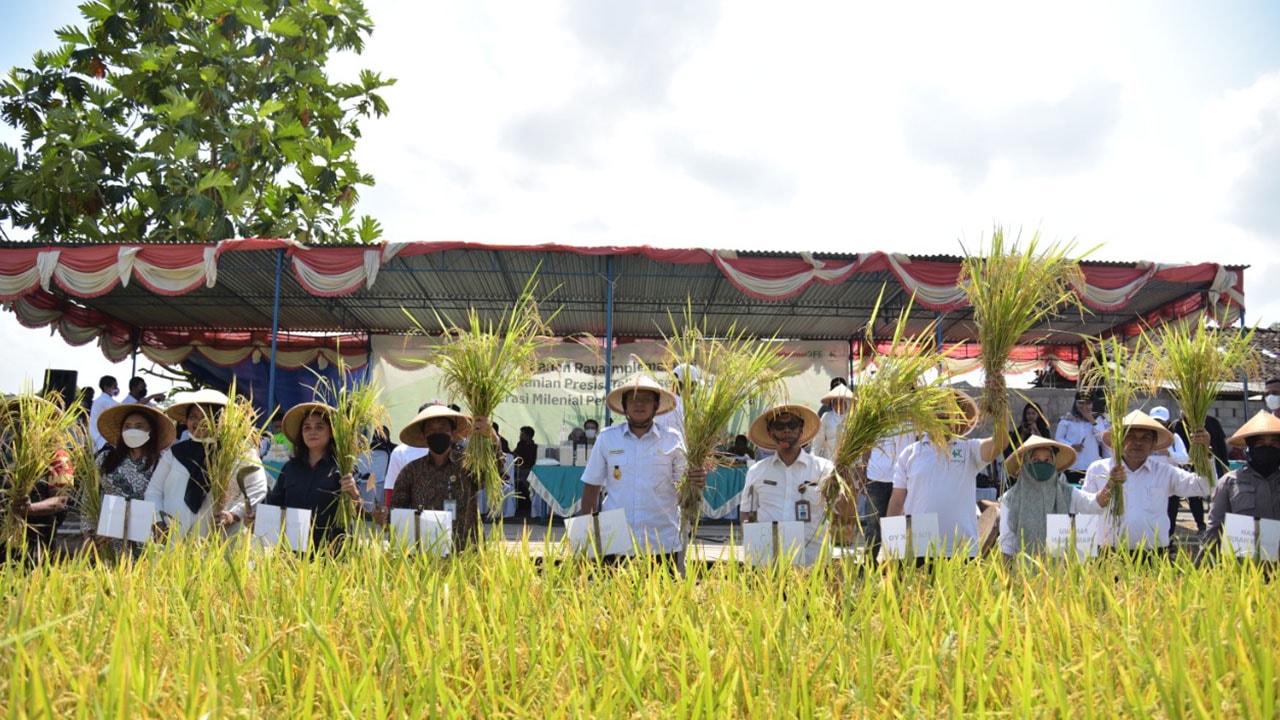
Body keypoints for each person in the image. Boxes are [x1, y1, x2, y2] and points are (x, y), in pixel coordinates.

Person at [579, 376, 706, 564]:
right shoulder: (607, 439)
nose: (639, 404)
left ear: (656, 405)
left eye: (646, 399)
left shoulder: (672, 439)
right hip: (615, 541)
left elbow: (684, 489)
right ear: (624, 406)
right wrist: (586, 537)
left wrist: (697, 480)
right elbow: (592, 489)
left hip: (663, 541)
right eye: (633, 399)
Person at [887, 391, 1007, 558]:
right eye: (937, 409)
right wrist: (891, 549)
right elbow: (896, 502)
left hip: (962, 547)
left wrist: (1000, 406)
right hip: (920, 545)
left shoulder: (969, 449)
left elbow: (1001, 441)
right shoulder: (910, 453)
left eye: (948, 410)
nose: (942, 414)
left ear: (957, 417)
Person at [1081, 410, 1211, 554]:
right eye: (1130, 436)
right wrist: (1109, 485)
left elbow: (1203, 487)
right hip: (1108, 553)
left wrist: (1205, 453)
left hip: (1153, 553)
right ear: (1119, 439)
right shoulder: (1098, 469)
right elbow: (1086, 509)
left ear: (1154, 444)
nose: (1138, 442)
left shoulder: (1164, 472)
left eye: (1146, 437)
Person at [143, 389, 268, 538]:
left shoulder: (239, 452)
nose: (199, 422)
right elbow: (154, 490)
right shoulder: (175, 453)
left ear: (220, 419)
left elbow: (257, 486)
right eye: (193, 416)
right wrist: (158, 521)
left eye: (207, 416)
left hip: (220, 538)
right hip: (174, 536)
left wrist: (234, 515)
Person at [383, 404, 494, 552]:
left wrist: (493, 440)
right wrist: (384, 518)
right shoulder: (411, 471)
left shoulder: (469, 466)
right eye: (431, 430)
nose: (437, 433)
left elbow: (492, 474)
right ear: (424, 436)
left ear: (453, 433)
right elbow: (396, 511)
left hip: (465, 548)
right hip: (425, 550)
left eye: (442, 428)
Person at [739, 404, 838, 566]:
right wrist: (752, 543)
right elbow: (746, 514)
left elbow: (840, 511)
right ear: (771, 433)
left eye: (792, 425)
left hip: (811, 560)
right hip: (768, 561)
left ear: (801, 430)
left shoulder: (825, 469)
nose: (787, 431)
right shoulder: (757, 471)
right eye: (780, 426)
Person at [256, 402, 360, 552]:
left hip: (333, 548)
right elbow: (275, 505)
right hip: (293, 549)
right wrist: (257, 518)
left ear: (331, 432)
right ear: (301, 434)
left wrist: (354, 493)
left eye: (319, 427)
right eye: (307, 428)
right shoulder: (290, 468)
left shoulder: (344, 467)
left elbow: (359, 512)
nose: (312, 432)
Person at [998, 436, 1113, 558]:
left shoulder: (1067, 493)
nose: (1042, 464)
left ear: (1053, 463)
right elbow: (1006, 542)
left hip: (1062, 571)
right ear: (1025, 463)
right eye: (1035, 460)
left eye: (1047, 460)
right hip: (1024, 570)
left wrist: (1111, 484)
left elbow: (1094, 505)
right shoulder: (1011, 498)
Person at [94, 402, 176, 558]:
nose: (132, 431)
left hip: (149, 541)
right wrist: (89, 532)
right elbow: (89, 496)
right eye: (127, 426)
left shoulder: (163, 462)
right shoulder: (106, 458)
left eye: (139, 426)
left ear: (150, 431)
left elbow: (166, 500)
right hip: (106, 540)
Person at [1, 396, 74, 564]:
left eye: (31, 418)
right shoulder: (4, 452)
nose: (24, 422)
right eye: (19, 417)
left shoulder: (57, 456)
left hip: (37, 537)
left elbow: (61, 499)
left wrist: (30, 509)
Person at [1199, 410, 1280, 559]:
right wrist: (1204, 565)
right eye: (1260, 443)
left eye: (1274, 444)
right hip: (1242, 566)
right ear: (1249, 447)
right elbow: (1215, 527)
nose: (1267, 448)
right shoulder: (1230, 481)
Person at [1149, 405, 1204, 535]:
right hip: (1149, 484)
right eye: (1155, 422)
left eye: (1161, 422)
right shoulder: (1145, 438)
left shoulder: (1174, 438)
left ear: (1167, 423)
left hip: (1170, 484)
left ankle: (1169, 545)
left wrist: (1168, 453)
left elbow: (1185, 458)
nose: (1158, 425)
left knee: (1170, 516)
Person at [863, 430, 914, 563]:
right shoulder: (878, 412)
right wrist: (862, 471)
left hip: (904, 478)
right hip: (876, 476)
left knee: (897, 525)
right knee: (873, 525)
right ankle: (868, 566)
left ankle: (895, 567)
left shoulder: (915, 416)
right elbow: (867, 444)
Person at [383, 401, 438, 507]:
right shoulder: (400, 452)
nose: (436, 430)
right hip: (411, 516)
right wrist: (389, 519)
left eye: (441, 425)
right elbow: (391, 488)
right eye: (430, 426)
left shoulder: (450, 452)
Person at [1055, 391, 1107, 483]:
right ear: (1075, 403)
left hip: (1091, 465)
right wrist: (1071, 445)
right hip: (1072, 465)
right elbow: (1058, 439)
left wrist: (1092, 420)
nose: (1084, 406)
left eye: (1088, 403)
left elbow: (1102, 438)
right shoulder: (1067, 419)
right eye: (1081, 403)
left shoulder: (1097, 419)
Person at [811, 383, 851, 461]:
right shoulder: (827, 417)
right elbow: (819, 439)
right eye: (835, 403)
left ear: (847, 403)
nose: (838, 406)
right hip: (829, 459)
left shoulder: (852, 418)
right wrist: (813, 456)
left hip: (847, 460)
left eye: (841, 402)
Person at [89, 375, 120, 450]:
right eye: (114, 386)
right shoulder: (104, 401)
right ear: (106, 387)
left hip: (100, 441)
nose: (117, 389)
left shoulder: (104, 400)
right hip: (101, 441)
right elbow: (124, 408)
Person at [513, 426, 538, 518]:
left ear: (528, 436)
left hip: (528, 469)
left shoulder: (534, 447)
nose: (520, 436)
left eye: (522, 435)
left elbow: (532, 461)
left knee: (526, 480)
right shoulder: (520, 444)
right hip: (518, 468)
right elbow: (515, 454)